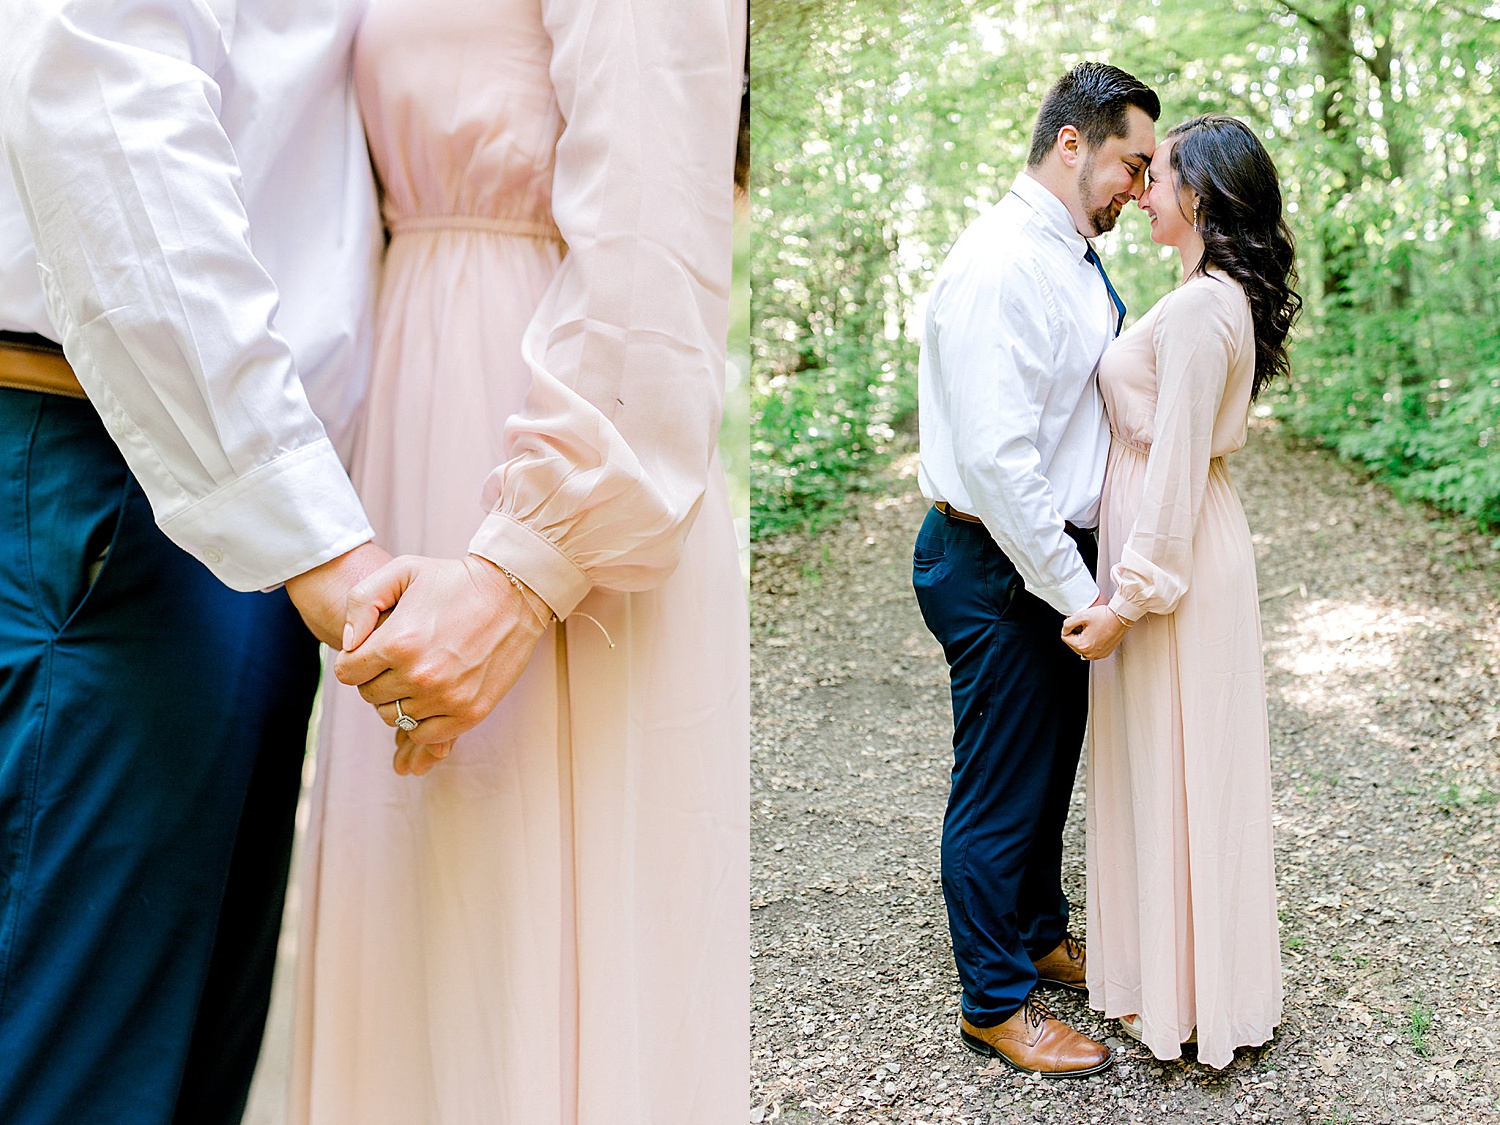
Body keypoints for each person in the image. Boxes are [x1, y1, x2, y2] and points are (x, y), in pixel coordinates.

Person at [285, 1, 748, 1122]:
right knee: (433, 918)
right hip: (409, 418)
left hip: (542, 448)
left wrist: (527, 561)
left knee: (524, 910)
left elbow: (652, 219)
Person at [0, 4, 403, 1121]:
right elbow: (102, 106)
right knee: (84, 1074)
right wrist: (311, 530)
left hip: (206, 498)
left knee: (168, 1068)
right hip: (124, 467)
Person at [910, 62, 1159, 1078]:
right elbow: (1001, 464)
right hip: (1000, 561)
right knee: (1000, 791)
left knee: (1048, 772)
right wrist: (1080, 590)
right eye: (1131, 165)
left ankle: (1040, 932)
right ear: (1073, 142)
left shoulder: (1066, 254)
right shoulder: (1005, 262)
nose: (1140, 190)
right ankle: (995, 1002)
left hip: (1051, 561)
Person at [1060, 115, 1300, 1068]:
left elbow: (1177, 470)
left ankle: (1195, 997)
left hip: (1179, 560)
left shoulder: (1205, 309)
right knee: (1169, 765)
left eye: (1156, 176)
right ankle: (1174, 978)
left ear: (1198, 192)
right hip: (1181, 546)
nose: (1142, 189)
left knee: (1183, 766)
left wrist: (1130, 595)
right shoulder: (1202, 295)